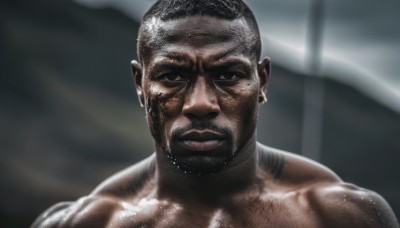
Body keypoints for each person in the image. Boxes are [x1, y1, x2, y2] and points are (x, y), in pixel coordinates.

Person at [32, 0, 399, 227]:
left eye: (227, 75)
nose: (201, 104)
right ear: (140, 84)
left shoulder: (339, 216)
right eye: (173, 75)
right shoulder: (85, 223)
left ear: (262, 81)